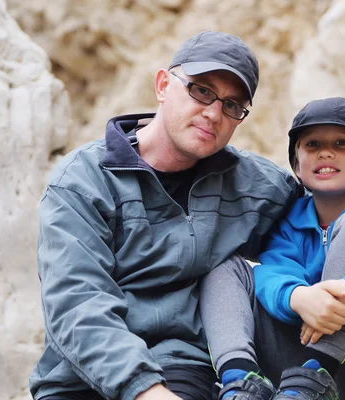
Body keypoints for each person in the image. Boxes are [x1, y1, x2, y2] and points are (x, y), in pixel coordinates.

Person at [28, 31, 300, 400]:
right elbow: (77, 302)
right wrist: (146, 392)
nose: (213, 113)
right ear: (162, 85)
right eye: (201, 90)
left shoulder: (256, 186)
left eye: (232, 105)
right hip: (80, 378)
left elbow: (334, 212)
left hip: (181, 368)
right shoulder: (82, 182)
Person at [199, 97, 345, 400]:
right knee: (224, 265)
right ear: (297, 166)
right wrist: (298, 297)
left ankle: (314, 374)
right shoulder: (288, 224)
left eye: (342, 143)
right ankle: (241, 382)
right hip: (296, 371)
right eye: (312, 145)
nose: (326, 152)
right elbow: (273, 275)